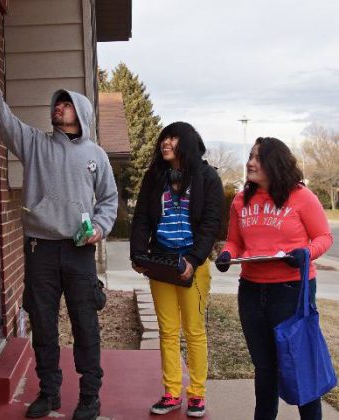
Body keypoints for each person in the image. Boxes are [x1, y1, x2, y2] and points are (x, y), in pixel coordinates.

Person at [0, 56, 118, 420]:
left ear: (79, 113)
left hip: (79, 252)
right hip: (40, 250)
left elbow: (110, 201)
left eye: (66, 103)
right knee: (44, 326)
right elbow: (1, 118)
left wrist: (99, 228)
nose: (58, 107)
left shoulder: (96, 155)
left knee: (85, 325)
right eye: (57, 102)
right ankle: (49, 392)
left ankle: (89, 398)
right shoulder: (35, 144)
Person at [215, 137, 333, 420]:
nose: (250, 162)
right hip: (252, 291)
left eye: (257, 157)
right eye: (250, 156)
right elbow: (234, 241)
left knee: (298, 363)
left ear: (275, 164)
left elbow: (323, 237)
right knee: (264, 367)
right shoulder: (241, 201)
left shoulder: (302, 196)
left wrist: (304, 253)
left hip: (292, 290)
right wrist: (226, 255)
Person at [130, 122, 224, 418]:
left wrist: (194, 260)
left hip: (193, 266)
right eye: (163, 138)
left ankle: (196, 394)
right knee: (167, 331)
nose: (165, 143)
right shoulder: (155, 177)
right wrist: (138, 254)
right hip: (161, 263)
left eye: (172, 138)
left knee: (194, 331)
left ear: (187, 142)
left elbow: (211, 223)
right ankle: (171, 393)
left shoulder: (207, 178)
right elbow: (142, 217)